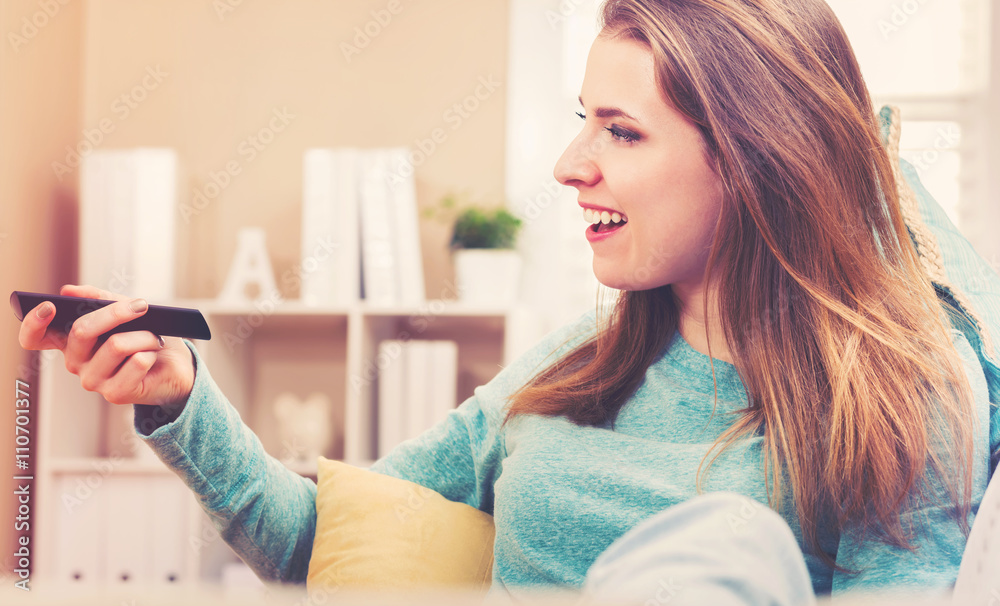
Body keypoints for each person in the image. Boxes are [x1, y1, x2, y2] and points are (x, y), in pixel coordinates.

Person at [18, 0, 1000, 602]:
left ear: (749, 160)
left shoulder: (897, 396)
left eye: (619, 131)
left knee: (726, 543)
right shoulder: (577, 362)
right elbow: (321, 542)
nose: (572, 165)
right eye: (583, 122)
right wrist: (176, 393)